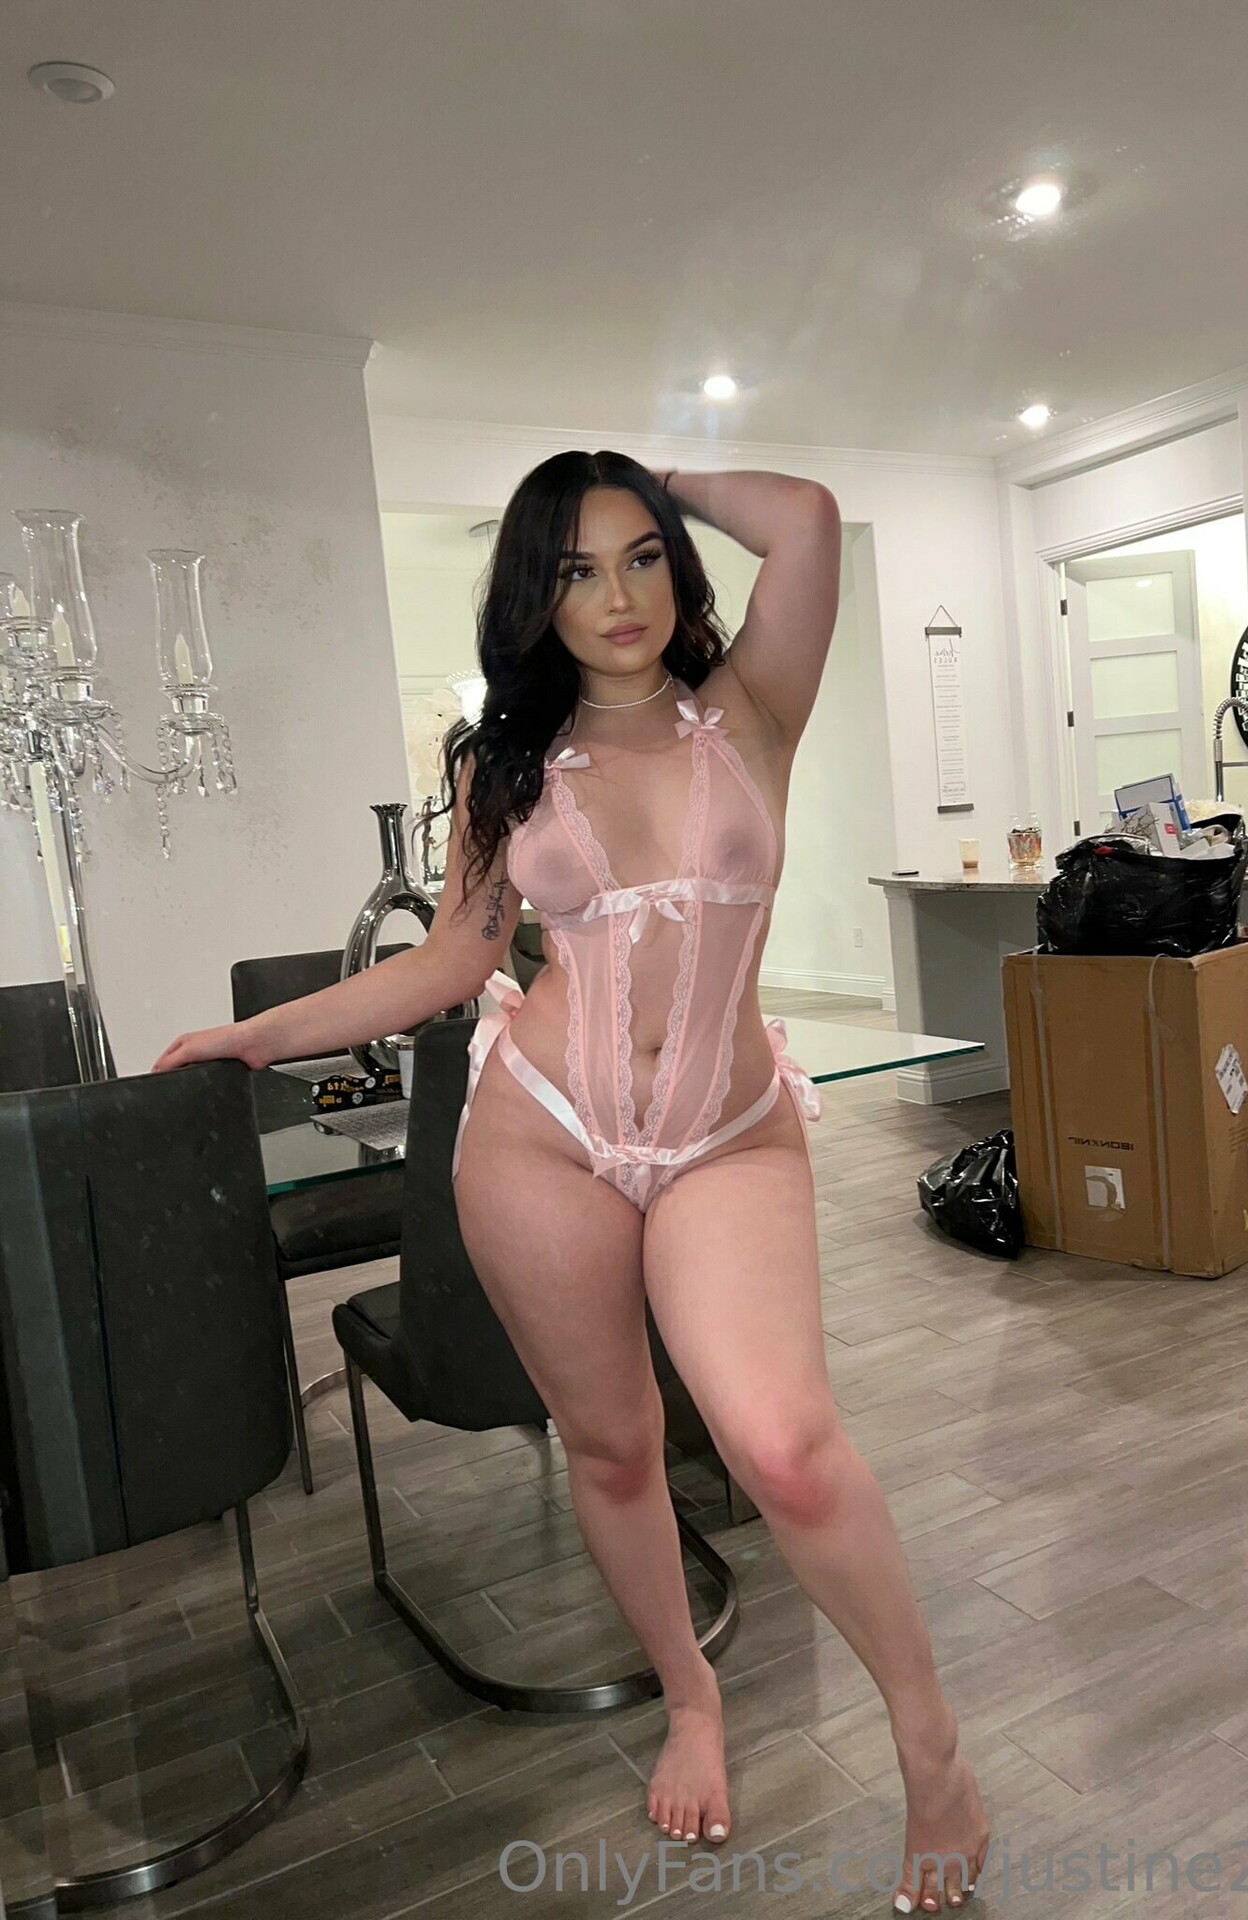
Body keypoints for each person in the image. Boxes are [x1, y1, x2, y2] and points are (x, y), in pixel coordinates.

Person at [154, 451, 991, 1914]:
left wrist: (641, 472)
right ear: (533, 598)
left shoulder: (754, 706)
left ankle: (932, 1746)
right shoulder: (507, 765)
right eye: (576, 568)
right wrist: (258, 1035)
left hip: (727, 1133)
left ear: (677, 562)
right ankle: (690, 1697)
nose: (618, 596)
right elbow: (451, 962)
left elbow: (805, 517)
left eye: (642, 556)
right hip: (543, 1134)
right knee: (611, 1448)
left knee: (787, 1447)